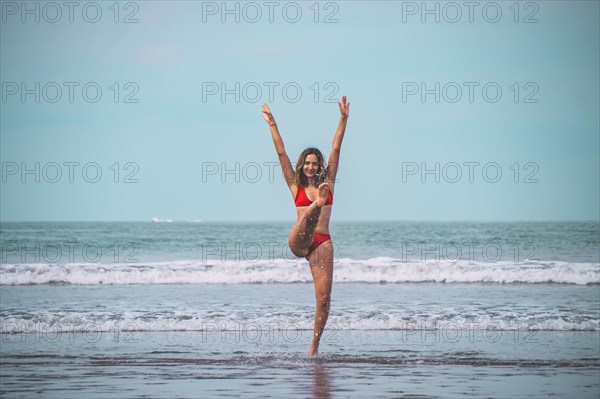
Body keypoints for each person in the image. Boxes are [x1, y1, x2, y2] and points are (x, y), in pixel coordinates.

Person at [261, 96, 350, 356]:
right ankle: (315, 206)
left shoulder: (328, 181)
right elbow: (281, 152)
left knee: (323, 301)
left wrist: (343, 118)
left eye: (315, 163)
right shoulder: (295, 184)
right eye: (307, 163)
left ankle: (313, 348)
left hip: (322, 243)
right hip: (299, 241)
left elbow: (335, 149)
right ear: (303, 165)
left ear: (320, 166)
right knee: (311, 214)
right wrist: (272, 123)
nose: (311, 166)